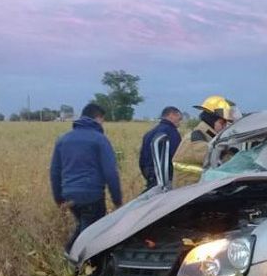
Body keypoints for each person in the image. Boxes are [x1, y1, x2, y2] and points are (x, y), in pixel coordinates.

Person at [49, 103, 123, 252]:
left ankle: (72, 262)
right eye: (103, 120)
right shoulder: (99, 139)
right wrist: (117, 200)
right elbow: (110, 172)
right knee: (89, 237)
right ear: (98, 118)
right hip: (91, 195)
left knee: (84, 228)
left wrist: (59, 199)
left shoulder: (63, 139)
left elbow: (54, 171)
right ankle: (73, 264)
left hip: (69, 195)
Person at [175, 95, 239, 170]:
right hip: (191, 181)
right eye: (222, 123)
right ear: (211, 121)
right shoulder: (196, 139)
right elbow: (217, 160)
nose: (225, 127)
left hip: (201, 180)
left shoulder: (207, 135)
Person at [139, 106, 183, 190]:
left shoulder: (148, 134)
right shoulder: (171, 132)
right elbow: (177, 156)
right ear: (171, 115)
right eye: (179, 118)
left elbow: (142, 160)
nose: (180, 123)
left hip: (150, 176)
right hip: (166, 178)